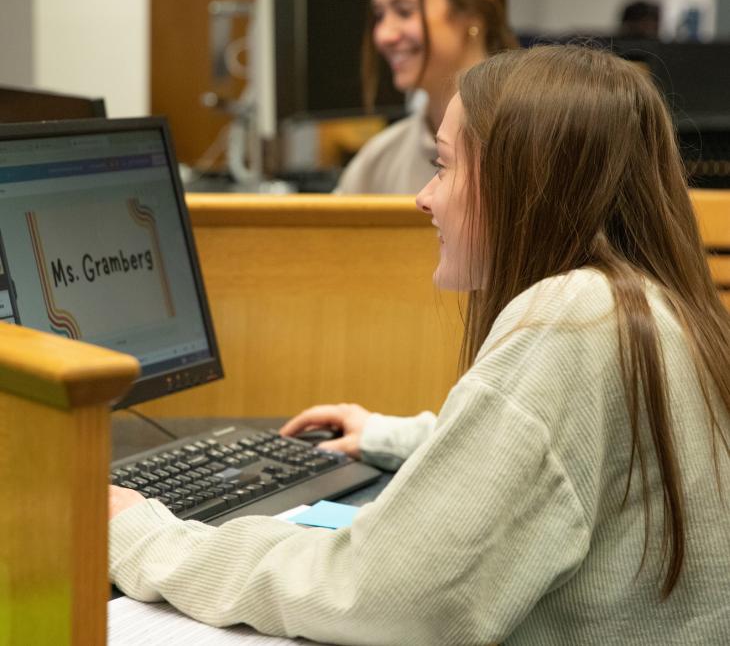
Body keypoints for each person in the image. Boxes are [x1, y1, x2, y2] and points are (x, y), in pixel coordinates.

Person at [110, 45, 730, 644]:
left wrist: (147, 540)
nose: (424, 197)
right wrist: (399, 438)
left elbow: (383, 596)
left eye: (444, 165)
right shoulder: (647, 305)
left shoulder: (572, 320)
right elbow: (552, 455)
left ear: (525, 179)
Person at [335, 0, 518, 194]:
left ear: (474, 11)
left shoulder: (530, 142)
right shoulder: (379, 161)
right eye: (379, 14)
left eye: (404, 11)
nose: (384, 35)